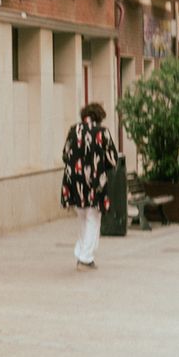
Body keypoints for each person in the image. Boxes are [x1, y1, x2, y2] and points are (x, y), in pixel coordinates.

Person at [60, 102, 118, 270]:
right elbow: (112, 158)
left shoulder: (74, 130)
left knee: (82, 217)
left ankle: (81, 253)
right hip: (94, 181)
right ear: (99, 117)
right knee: (93, 218)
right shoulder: (102, 132)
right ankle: (85, 258)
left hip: (74, 180)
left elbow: (65, 154)